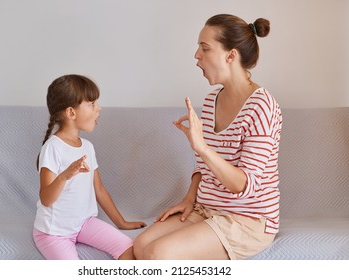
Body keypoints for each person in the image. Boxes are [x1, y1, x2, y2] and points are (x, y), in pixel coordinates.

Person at [133, 14, 282, 260]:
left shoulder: (262, 106)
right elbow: (204, 165)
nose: (196, 55)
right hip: (207, 210)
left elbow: (243, 185)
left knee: (157, 255)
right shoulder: (212, 99)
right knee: (141, 245)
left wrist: (201, 147)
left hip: (247, 220)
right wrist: (189, 197)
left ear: (231, 55)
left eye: (205, 48)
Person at [33, 74, 146, 260]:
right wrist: (64, 176)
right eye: (92, 104)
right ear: (71, 113)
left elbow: (99, 189)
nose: (98, 109)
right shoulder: (53, 147)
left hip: (84, 224)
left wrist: (122, 222)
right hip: (53, 233)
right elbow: (46, 199)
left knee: (129, 248)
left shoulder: (87, 147)